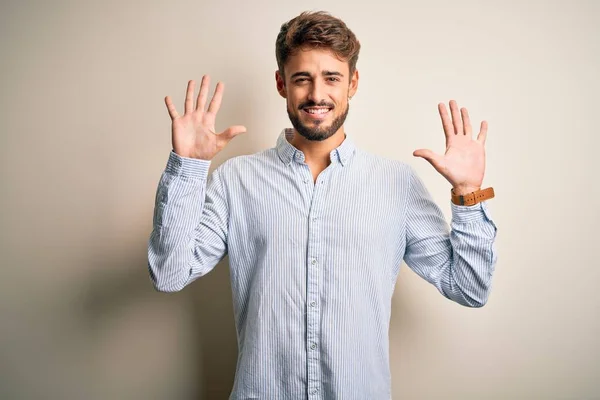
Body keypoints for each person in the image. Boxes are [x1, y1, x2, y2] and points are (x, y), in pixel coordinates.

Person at [148, 10, 498, 400]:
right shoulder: (236, 180)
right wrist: (189, 167)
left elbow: (469, 287)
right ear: (281, 83)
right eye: (302, 79)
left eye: (332, 78)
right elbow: (170, 273)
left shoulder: (396, 185)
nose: (317, 95)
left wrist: (469, 193)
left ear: (353, 83)